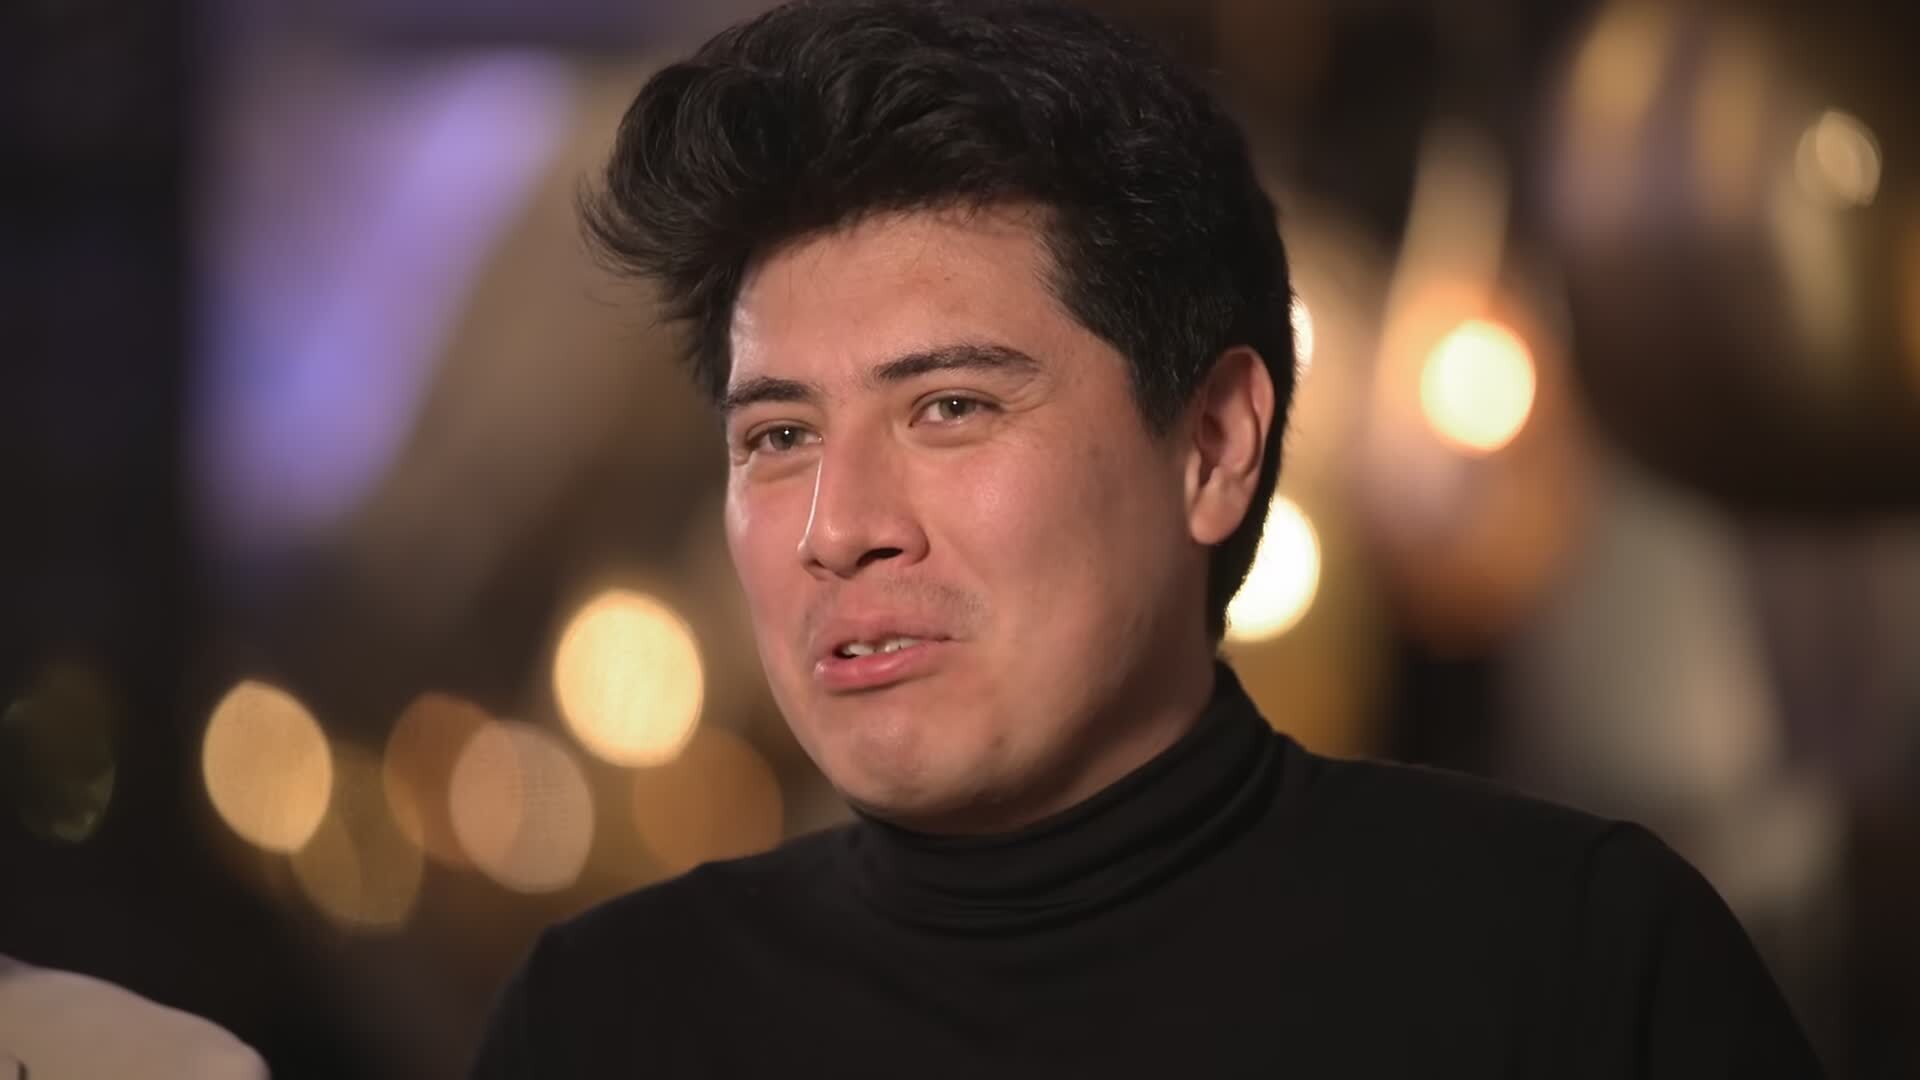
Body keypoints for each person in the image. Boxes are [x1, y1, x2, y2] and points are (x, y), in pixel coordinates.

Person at [472, 0, 1824, 1075]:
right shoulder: (608, 1021)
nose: (839, 532)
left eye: (950, 407)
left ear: (1216, 447)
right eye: (778, 435)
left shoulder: (1578, 966)